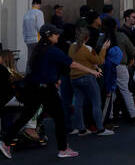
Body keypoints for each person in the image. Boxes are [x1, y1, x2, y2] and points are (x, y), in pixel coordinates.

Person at [1, 25, 78, 158]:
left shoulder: (39, 49)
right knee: (59, 117)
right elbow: (71, 63)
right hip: (45, 88)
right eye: (55, 34)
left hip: (35, 87)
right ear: (49, 36)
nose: (58, 36)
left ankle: (6, 141)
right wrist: (93, 71)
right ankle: (63, 149)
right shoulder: (51, 51)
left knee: (26, 115)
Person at [22, 0, 44, 67]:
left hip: (28, 40)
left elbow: (24, 28)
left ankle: (27, 76)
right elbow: (40, 27)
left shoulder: (26, 14)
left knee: (30, 60)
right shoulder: (39, 13)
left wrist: (26, 40)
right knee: (38, 60)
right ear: (39, 4)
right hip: (37, 40)